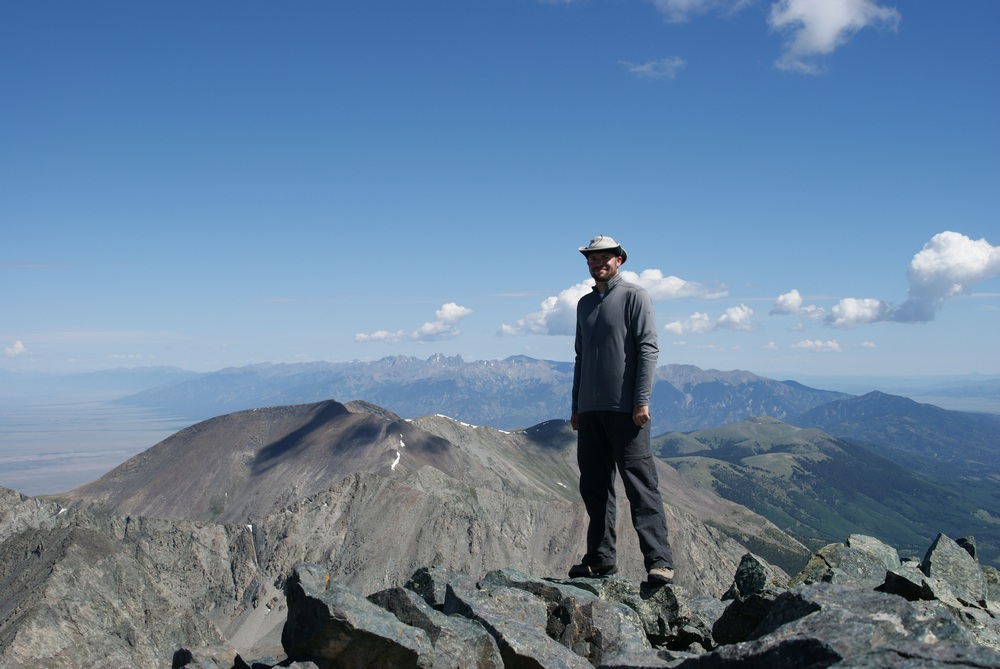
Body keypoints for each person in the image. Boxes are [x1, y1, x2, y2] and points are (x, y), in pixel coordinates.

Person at [569, 234, 674, 584]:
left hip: (626, 411)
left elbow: (648, 349)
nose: (597, 263)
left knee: (640, 486)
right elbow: (580, 358)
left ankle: (659, 561)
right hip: (591, 412)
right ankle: (600, 559)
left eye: (604, 258)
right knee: (595, 488)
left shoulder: (634, 296)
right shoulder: (584, 304)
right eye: (591, 258)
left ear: (619, 260)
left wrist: (641, 400)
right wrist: (576, 408)